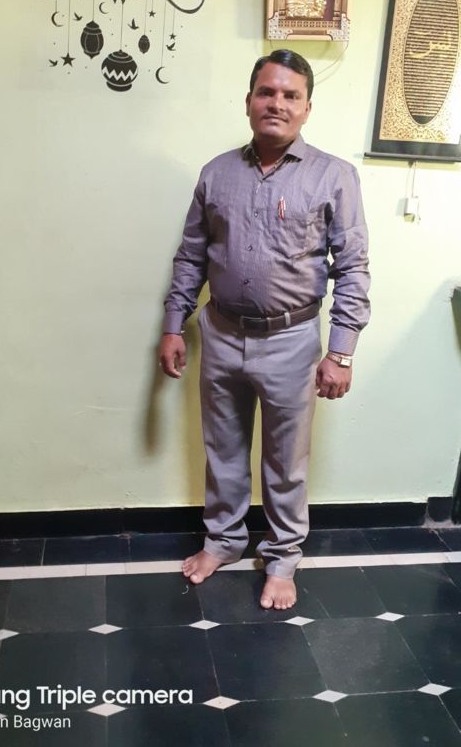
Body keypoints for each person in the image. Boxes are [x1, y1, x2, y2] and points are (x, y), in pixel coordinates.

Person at [158, 49, 370, 609]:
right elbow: (191, 256)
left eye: (290, 95)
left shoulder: (334, 176)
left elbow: (353, 268)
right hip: (221, 333)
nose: (277, 103)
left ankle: (281, 558)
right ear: (249, 101)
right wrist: (174, 324)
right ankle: (224, 541)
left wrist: (341, 352)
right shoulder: (216, 174)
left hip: (292, 342)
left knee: (285, 461)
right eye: (267, 92)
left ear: (307, 108)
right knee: (223, 449)